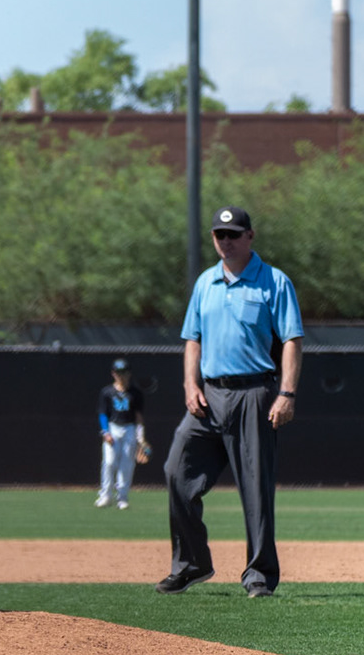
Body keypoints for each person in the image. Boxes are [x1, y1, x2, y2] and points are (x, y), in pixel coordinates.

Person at [155, 206, 303, 598]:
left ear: (250, 236)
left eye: (234, 234)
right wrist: (190, 384)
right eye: (220, 234)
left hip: (254, 393)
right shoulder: (205, 282)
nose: (226, 241)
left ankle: (259, 575)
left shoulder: (273, 281)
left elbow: (292, 340)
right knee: (177, 472)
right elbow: (193, 339)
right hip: (208, 397)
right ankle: (192, 563)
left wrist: (287, 393)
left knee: (256, 489)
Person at [95, 357, 149, 510]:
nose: (121, 375)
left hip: (129, 428)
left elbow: (138, 416)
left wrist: (141, 437)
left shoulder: (135, 393)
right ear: (113, 374)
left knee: (127, 464)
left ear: (129, 373)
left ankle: (122, 497)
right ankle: (106, 495)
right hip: (113, 427)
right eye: (118, 372)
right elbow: (103, 413)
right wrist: (105, 432)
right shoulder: (107, 392)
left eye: (124, 372)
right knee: (109, 462)